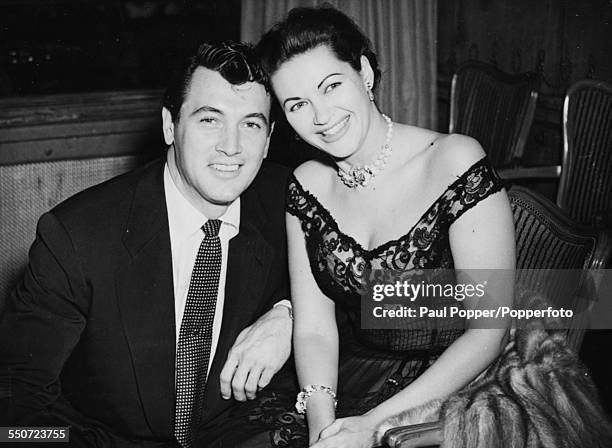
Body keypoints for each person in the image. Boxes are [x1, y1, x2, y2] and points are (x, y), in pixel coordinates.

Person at [240, 6, 516, 448]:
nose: (321, 117)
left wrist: (371, 426)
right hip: (360, 375)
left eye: (331, 86)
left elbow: (489, 331)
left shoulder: (454, 160)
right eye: (297, 105)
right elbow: (313, 329)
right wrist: (323, 429)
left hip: (462, 385)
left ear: (364, 73)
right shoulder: (306, 186)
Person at [0, 41, 294, 447]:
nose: (232, 145)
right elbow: (14, 404)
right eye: (210, 120)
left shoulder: (288, 200)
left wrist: (289, 316)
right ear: (170, 126)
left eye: (251, 124)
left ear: (268, 138)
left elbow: (386, 302)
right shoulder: (76, 234)